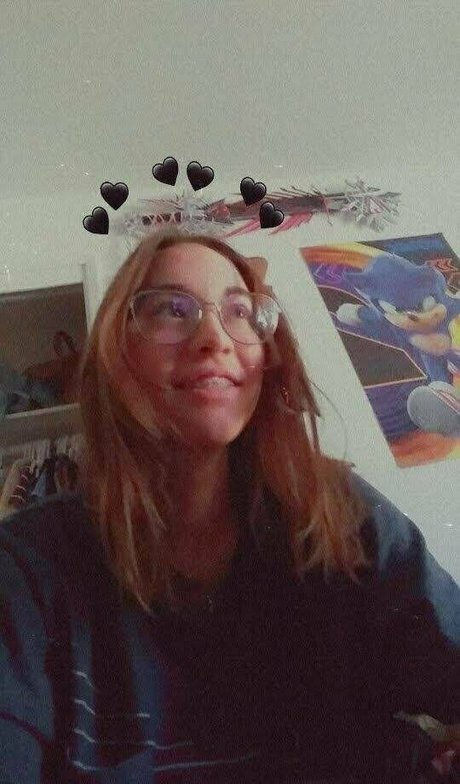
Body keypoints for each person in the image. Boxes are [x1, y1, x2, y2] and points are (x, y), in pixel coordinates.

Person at [0, 225, 458, 784]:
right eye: (171, 309)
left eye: (240, 311)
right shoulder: (25, 570)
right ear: (117, 354)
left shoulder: (340, 514)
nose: (215, 338)